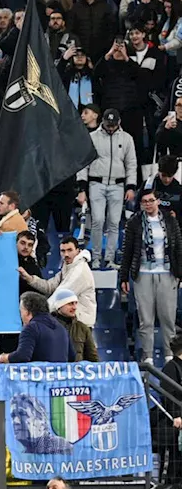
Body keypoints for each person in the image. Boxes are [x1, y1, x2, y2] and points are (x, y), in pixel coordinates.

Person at [120, 187, 182, 362]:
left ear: (158, 201)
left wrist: (180, 273)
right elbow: (128, 252)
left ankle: (170, 356)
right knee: (145, 319)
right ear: (140, 204)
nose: (148, 204)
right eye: (144, 201)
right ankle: (148, 357)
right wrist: (124, 277)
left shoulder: (170, 220)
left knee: (168, 318)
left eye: (151, 200)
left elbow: (178, 247)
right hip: (143, 274)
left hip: (167, 273)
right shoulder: (134, 222)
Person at [77, 108, 137, 269]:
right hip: (96, 183)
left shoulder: (126, 139)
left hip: (117, 185)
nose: (110, 128)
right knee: (97, 220)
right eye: (108, 124)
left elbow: (131, 164)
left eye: (113, 125)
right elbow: (83, 163)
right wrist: (82, 188)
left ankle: (110, 259)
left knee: (114, 222)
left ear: (119, 123)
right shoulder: (92, 137)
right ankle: (96, 257)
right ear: (102, 121)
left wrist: (131, 186)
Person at [20, 237, 96, 327]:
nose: (66, 254)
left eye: (69, 250)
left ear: (78, 251)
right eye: (63, 251)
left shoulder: (79, 271)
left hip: (80, 325)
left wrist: (37, 316)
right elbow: (50, 286)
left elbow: (60, 297)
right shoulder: (68, 266)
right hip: (71, 322)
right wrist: (30, 279)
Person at [0, 292, 77, 365]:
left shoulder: (31, 328)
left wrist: (2, 358)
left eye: (21, 311)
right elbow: (72, 357)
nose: (21, 315)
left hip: (38, 381)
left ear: (27, 312)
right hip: (58, 381)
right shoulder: (61, 328)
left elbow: (22, 356)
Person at [50, 288, 98, 363]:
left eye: (76, 303)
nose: (75, 307)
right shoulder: (47, 326)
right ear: (60, 305)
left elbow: (92, 358)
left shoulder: (83, 328)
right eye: (70, 303)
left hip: (76, 373)